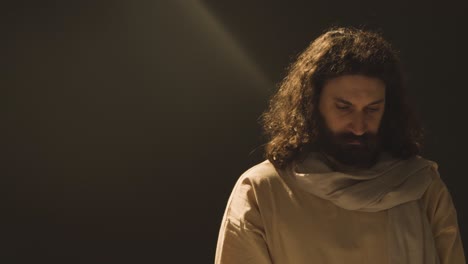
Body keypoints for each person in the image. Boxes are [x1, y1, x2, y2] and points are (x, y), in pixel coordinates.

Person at [214, 27, 466, 264]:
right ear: (312, 106)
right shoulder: (261, 190)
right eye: (343, 107)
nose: (359, 126)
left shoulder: (422, 185)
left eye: (372, 109)